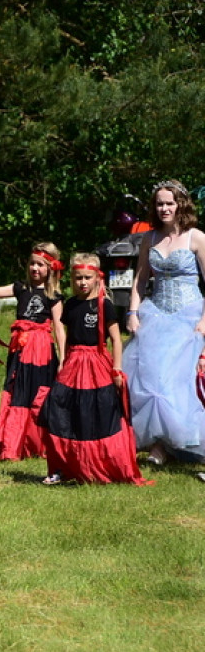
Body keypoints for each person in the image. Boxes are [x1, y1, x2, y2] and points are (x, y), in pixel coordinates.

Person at [40, 254, 148, 486]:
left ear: (97, 278)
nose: (82, 282)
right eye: (78, 278)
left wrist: (117, 369)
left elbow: (116, 340)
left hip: (96, 364)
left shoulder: (104, 305)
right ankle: (62, 466)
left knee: (96, 412)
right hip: (73, 364)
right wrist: (63, 361)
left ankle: (98, 465)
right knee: (63, 410)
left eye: (87, 277)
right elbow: (68, 338)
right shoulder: (70, 305)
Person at [122, 179, 205, 467]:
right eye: (160, 203)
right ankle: (157, 444)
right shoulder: (149, 238)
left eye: (169, 203)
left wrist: (204, 321)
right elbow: (140, 279)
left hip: (189, 314)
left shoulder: (196, 237)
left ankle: (179, 441)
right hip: (155, 312)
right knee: (150, 377)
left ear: (180, 204)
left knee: (178, 379)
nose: (165, 208)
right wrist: (132, 313)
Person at [0, 242, 66, 461]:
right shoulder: (20, 288)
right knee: (17, 390)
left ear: (50, 269)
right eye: (33, 264)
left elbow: (59, 328)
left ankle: (37, 444)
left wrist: (63, 358)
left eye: (41, 265)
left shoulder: (53, 296)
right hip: (20, 349)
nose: (35, 269)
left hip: (40, 350)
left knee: (37, 393)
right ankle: (12, 445)